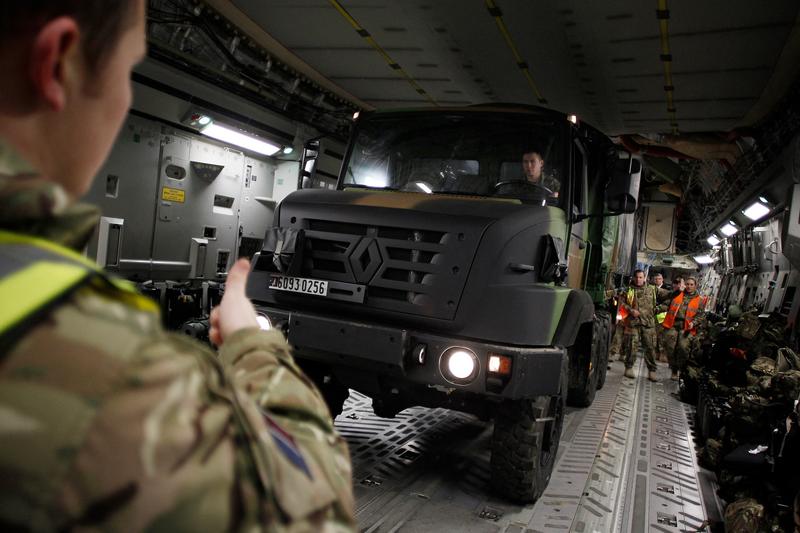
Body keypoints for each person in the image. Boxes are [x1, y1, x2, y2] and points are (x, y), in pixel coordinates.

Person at [0, 2, 355, 530]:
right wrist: (253, 344)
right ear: (57, 66)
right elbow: (315, 507)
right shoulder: (101, 368)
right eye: (127, 73)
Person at [618, 270, 670, 381]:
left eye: (640, 277)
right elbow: (621, 302)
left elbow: (669, 296)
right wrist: (630, 310)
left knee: (650, 347)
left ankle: (652, 371)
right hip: (634, 323)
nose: (638, 279)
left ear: (644, 278)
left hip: (648, 323)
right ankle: (629, 368)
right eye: (636, 277)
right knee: (632, 346)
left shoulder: (653, 289)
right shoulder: (628, 290)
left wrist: (658, 309)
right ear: (633, 278)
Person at [661, 276, 707, 381]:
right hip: (673, 324)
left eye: (692, 284)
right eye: (687, 284)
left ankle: (680, 369)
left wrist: (693, 323)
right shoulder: (677, 295)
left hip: (687, 328)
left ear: (695, 286)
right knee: (670, 348)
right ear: (684, 285)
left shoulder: (699, 300)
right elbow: (667, 305)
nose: (689, 286)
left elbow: (701, 315)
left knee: (682, 348)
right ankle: (674, 368)